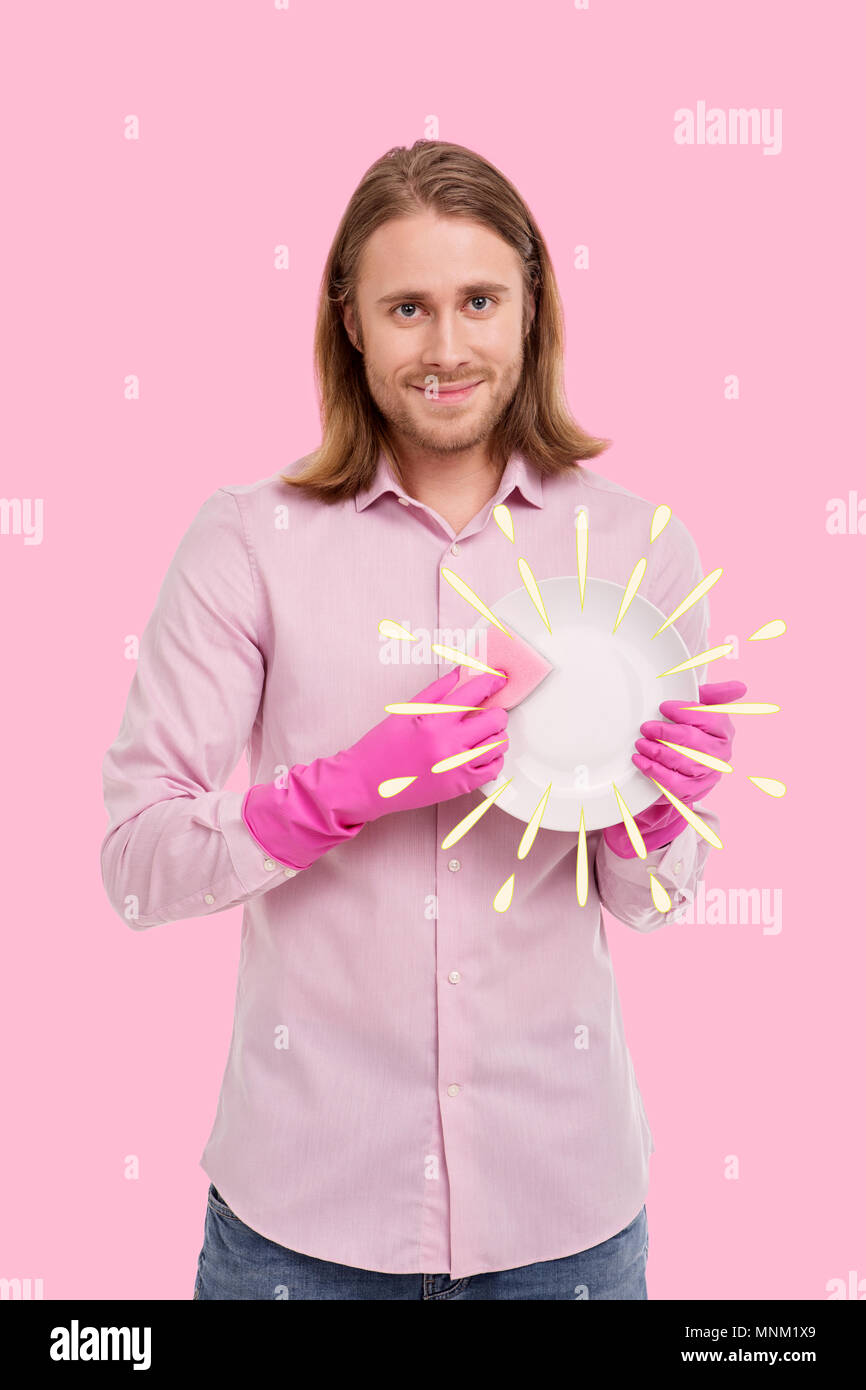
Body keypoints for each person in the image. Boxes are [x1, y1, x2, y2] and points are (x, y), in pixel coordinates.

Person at [100, 140, 744, 1301]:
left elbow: (652, 906)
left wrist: (657, 811)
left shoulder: (641, 547)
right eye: (407, 307)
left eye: (477, 301)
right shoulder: (247, 540)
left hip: (565, 1222)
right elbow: (137, 868)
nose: (445, 348)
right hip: (298, 1225)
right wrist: (340, 789)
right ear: (349, 321)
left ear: (530, 304)